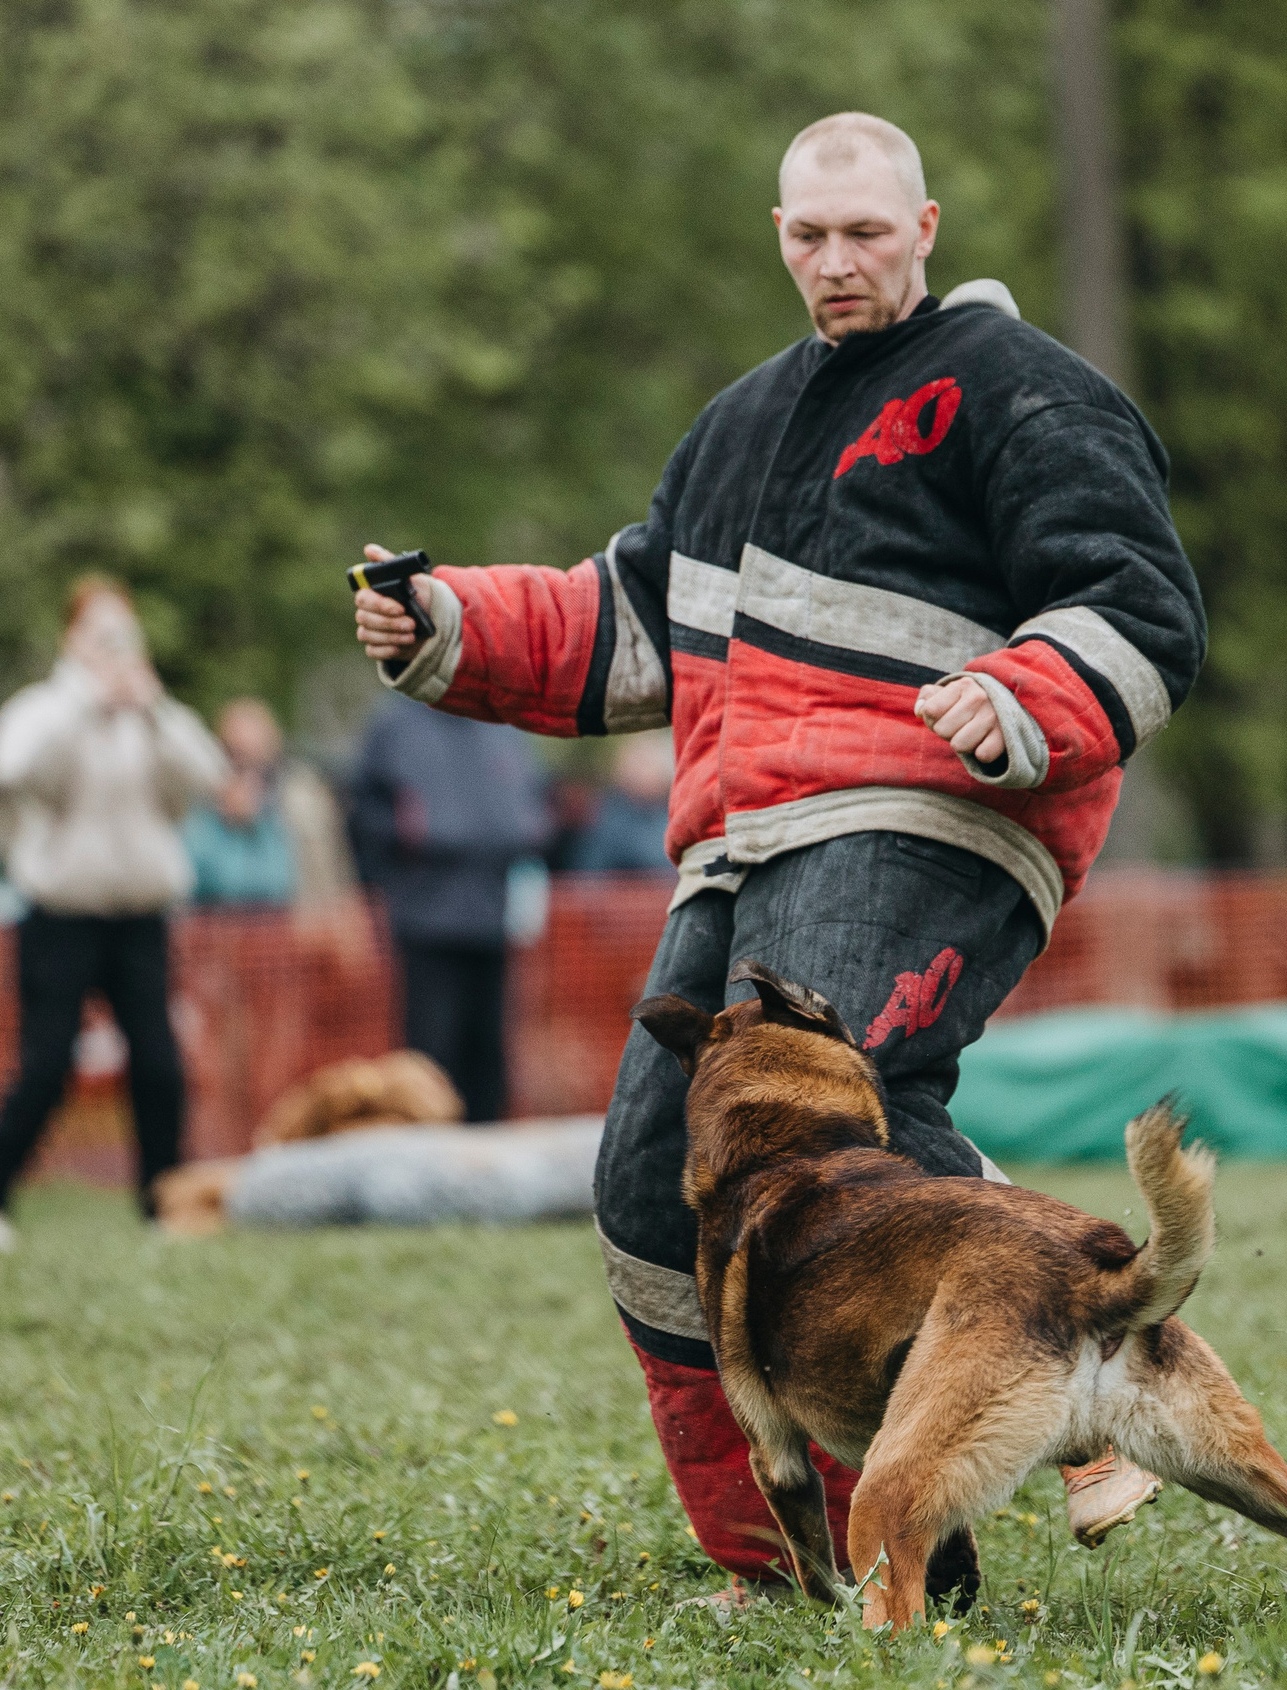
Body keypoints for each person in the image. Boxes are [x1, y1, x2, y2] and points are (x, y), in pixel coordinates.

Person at [349, 113, 1205, 1601]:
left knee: (835, 1112)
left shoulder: (1022, 388)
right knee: (649, 1187)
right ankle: (796, 1561)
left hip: (935, 809)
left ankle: (1100, 1369)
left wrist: (1022, 695)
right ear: (779, 235)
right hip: (741, 837)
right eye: (809, 235)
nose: (836, 260)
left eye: (865, 232)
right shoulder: (739, 422)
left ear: (924, 227)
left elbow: (1136, 599)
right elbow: (628, 624)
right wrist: (450, 625)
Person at [0, 577, 227, 1251]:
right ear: (71, 639)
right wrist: (84, 702)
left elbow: (208, 774)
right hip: (61, 915)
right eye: (98, 634)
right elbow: (15, 769)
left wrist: (152, 709)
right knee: (45, 1062)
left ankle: (164, 1203)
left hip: (140, 915)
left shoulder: (153, 716)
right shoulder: (44, 709)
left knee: (158, 1063)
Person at [344, 692, 550, 1123]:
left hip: (493, 919)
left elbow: (532, 806)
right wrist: (404, 841)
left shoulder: (501, 724)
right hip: (425, 923)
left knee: (488, 1056)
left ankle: (485, 1150)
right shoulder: (395, 727)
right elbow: (363, 815)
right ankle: (427, 1150)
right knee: (430, 1059)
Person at [184, 697, 361, 913]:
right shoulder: (203, 804)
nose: (247, 768)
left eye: (254, 754)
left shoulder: (302, 795)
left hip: (300, 920)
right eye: (236, 754)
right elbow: (197, 878)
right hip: (218, 923)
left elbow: (330, 870)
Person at [564, 735, 677, 872]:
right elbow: (590, 871)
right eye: (641, 763)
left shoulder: (673, 814)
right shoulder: (607, 818)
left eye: (651, 763)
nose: (646, 771)